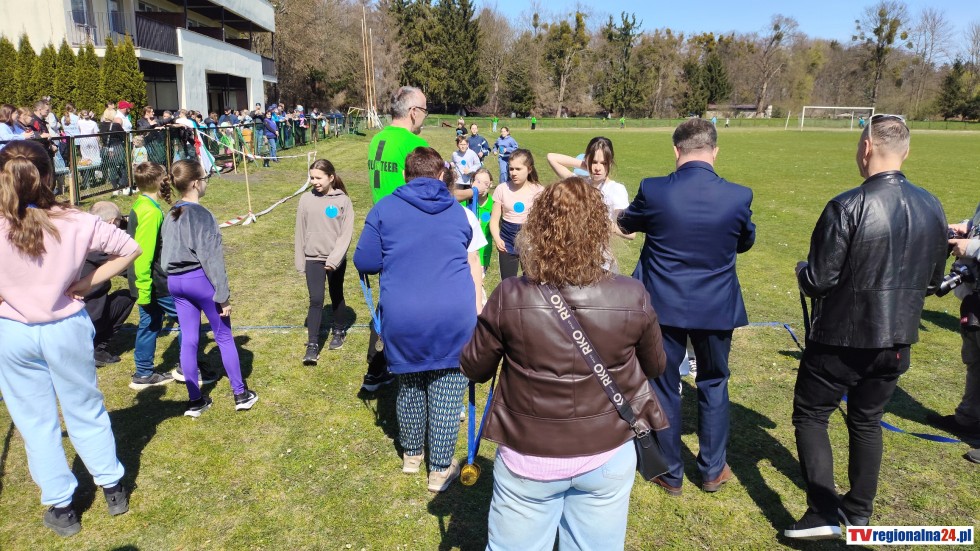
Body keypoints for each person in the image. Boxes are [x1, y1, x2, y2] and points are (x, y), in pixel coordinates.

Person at [461, 177, 668, 550]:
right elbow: (654, 366)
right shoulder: (632, 294)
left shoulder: (510, 294)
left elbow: (475, 368)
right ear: (599, 230)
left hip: (529, 457)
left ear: (537, 227)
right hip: (605, 452)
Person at [785, 114, 948, 539]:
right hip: (896, 341)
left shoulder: (847, 206)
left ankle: (824, 512)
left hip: (842, 340)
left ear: (867, 148)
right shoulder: (932, 206)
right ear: (905, 152)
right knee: (866, 420)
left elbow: (819, 280)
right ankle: (858, 511)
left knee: (811, 414)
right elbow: (934, 281)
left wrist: (801, 271)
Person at [0, 140, 140, 536]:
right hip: (65, 328)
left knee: (35, 421)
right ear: (49, 175)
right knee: (85, 406)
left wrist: (84, 282)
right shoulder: (76, 220)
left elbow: (127, 249)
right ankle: (111, 486)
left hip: (14, 333)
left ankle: (62, 506)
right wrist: (87, 281)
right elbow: (130, 247)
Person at [617, 118, 756, 498]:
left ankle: (670, 470)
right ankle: (712, 469)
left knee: (664, 384)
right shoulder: (738, 196)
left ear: (676, 150)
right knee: (714, 381)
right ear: (714, 151)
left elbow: (627, 222)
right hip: (716, 306)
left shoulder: (655, 189)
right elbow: (745, 241)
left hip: (664, 305)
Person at [354, 147, 485, 493]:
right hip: (453, 316)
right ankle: (439, 469)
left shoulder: (384, 209)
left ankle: (412, 455)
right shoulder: (458, 212)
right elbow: (469, 253)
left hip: (404, 315)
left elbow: (365, 261)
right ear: (442, 175)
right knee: (446, 389)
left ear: (405, 175)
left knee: (410, 383)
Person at [161, 160, 258, 417]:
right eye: (205, 178)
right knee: (223, 335)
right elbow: (213, 259)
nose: (206, 183)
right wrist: (223, 296)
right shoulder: (202, 215)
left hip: (175, 282)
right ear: (195, 183)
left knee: (189, 339)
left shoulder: (170, 214)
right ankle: (240, 394)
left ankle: (195, 400)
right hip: (199, 281)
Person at [362, 85, 430, 392]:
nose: (425, 116)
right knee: (411, 302)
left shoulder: (377, 139)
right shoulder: (413, 143)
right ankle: (397, 365)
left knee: (388, 298)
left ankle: (377, 367)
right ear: (413, 112)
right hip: (408, 232)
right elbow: (429, 191)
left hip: (381, 227)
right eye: (424, 110)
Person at [928, 204, 980, 456]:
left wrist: (971, 248)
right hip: (975, 296)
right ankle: (968, 419)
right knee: (975, 361)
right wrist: (966, 227)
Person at [295, 159, 354, 365]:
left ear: (331, 177)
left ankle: (338, 330)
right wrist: (300, 260)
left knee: (336, 293)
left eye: (318, 178)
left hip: (334, 259)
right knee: (316, 299)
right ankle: (312, 345)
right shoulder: (305, 199)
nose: (314, 182)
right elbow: (300, 230)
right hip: (313, 258)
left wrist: (335, 259)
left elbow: (346, 234)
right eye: (312, 178)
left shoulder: (343, 201)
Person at [546, 136, 635, 253]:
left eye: (603, 163)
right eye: (594, 162)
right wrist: (586, 165)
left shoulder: (615, 189)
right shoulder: (580, 183)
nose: (598, 168)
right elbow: (551, 157)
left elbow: (630, 233)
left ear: (610, 163)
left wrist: (600, 222)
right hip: (574, 253)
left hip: (601, 257)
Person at [82, 201, 137, 368]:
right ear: (112, 222)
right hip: (89, 315)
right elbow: (127, 269)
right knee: (127, 296)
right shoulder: (99, 246)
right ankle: (98, 347)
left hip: (65, 313)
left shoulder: (77, 238)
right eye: (119, 222)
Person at [489, 148, 544, 281]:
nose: (513, 173)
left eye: (518, 169)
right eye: (511, 169)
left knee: (532, 282)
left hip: (530, 241)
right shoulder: (502, 189)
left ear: (529, 169)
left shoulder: (539, 191)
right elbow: (494, 220)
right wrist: (497, 239)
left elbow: (543, 221)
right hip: (507, 241)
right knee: (508, 283)